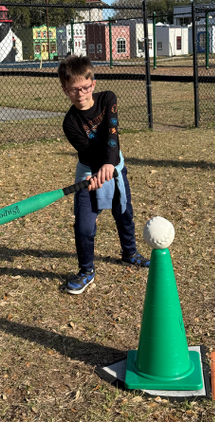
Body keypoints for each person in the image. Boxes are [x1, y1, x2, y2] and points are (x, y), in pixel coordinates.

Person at [60, 55, 148, 295]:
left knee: (124, 213)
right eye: (74, 90)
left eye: (85, 87)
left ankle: (129, 254)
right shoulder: (70, 123)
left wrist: (109, 166)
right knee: (84, 227)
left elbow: (112, 135)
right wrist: (98, 173)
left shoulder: (108, 98)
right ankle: (86, 270)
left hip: (115, 168)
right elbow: (88, 151)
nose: (81, 94)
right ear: (65, 90)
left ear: (93, 83)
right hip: (88, 174)